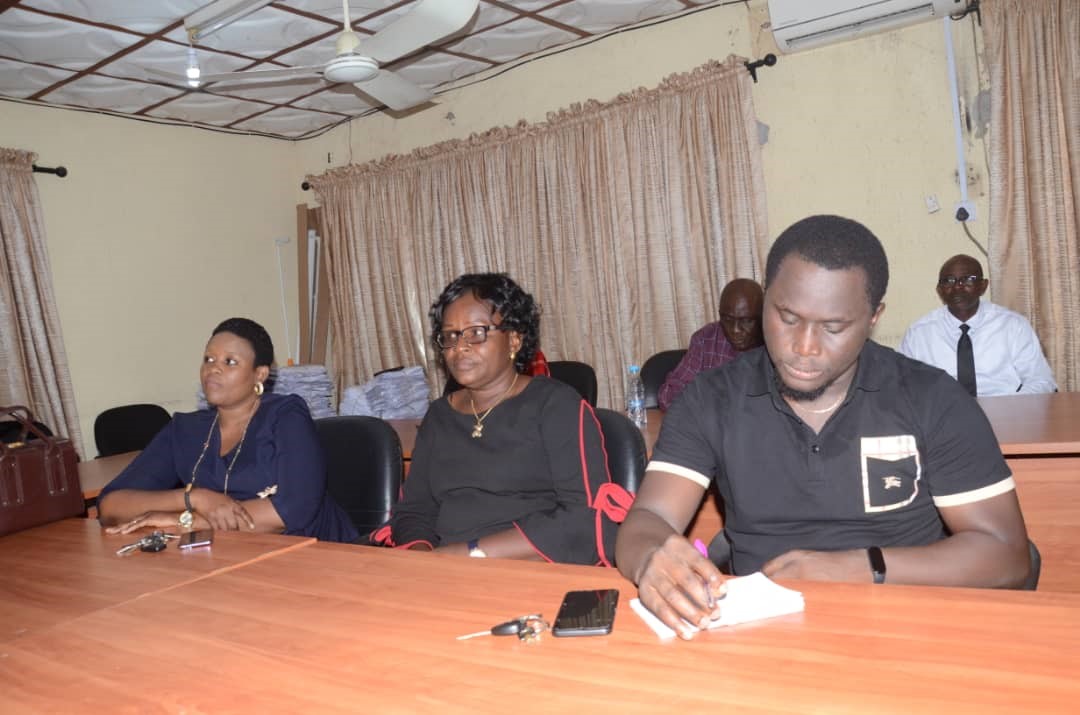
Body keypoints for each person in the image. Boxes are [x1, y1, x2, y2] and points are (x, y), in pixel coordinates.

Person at [615, 215, 1030, 640]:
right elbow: (648, 517)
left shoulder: (932, 400)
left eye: (834, 327)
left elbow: (1008, 555)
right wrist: (652, 556)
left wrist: (864, 567)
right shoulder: (711, 399)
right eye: (787, 317)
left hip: (906, 628)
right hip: (761, 635)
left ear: (873, 317)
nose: (804, 348)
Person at [384, 273, 627, 564]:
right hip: (445, 571)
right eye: (450, 336)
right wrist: (423, 560)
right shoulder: (438, 417)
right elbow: (414, 511)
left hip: (533, 570)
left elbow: (584, 519)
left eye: (476, 332)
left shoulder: (557, 405)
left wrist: (469, 554)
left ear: (513, 340)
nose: (459, 347)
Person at [98, 317, 358, 543]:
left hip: (313, 554)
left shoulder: (286, 415)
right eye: (208, 359)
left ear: (260, 374)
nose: (214, 368)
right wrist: (195, 499)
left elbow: (289, 512)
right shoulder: (186, 430)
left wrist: (184, 521)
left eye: (230, 361)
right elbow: (110, 506)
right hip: (231, 557)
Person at [898, 254, 1057, 396]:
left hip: (1004, 411)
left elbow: (1041, 381)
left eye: (968, 280)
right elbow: (901, 385)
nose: (957, 287)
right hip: (942, 417)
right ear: (940, 289)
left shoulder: (1013, 326)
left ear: (983, 286)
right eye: (949, 281)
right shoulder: (919, 333)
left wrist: (1011, 408)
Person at [657, 278, 764, 410]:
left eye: (746, 321)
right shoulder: (706, 339)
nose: (735, 330)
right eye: (727, 319)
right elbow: (668, 396)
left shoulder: (776, 345)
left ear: (763, 317)